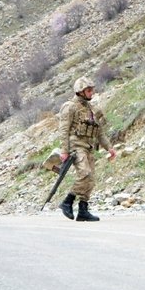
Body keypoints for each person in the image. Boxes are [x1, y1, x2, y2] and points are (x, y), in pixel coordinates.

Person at [57, 75, 116, 221]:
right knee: (85, 173)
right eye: (89, 90)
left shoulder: (92, 109)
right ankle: (68, 201)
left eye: (92, 90)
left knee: (91, 179)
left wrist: (109, 148)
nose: (92, 93)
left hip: (89, 146)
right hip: (76, 146)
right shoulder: (69, 107)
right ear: (80, 91)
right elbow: (63, 130)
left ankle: (83, 209)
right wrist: (64, 150)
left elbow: (99, 132)